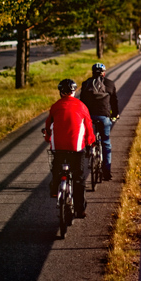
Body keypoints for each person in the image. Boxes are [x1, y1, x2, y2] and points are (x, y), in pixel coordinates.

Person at [44, 79, 95, 218]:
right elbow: (89, 127)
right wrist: (90, 141)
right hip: (76, 147)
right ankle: (80, 209)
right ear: (74, 91)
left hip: (58, 147)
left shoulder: (55, 106)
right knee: (78, 178)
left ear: (60, 92)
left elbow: (48, 126)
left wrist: (48, 138)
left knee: (56, 168)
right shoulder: (81, 106)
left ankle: (55, 189)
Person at [79, 63, 119, 181]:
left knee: (87, 134)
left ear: (92, 73)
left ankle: (88, 148)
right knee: (105, 142)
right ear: (104, 73)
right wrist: (115, 114)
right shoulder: (110, 84)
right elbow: (114, 102)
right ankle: (107, 172)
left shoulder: (86, 84)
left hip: (89, 117)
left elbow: (82, 102)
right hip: (104, 117)